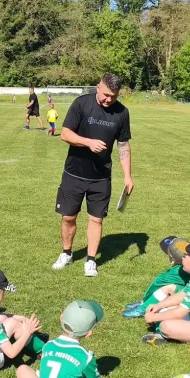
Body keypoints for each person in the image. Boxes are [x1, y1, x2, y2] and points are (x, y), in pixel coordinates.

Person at [52, 73, 133, 278]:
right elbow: (65, 134)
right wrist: (88, 142)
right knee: (68, 217)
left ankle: (90, 260)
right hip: (74, 174)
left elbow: (123, 145)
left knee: (96, 220)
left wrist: (127, 176)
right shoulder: (81, 104)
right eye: (106, 95)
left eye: (113, 96)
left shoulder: (122, 113)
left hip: (101, 178)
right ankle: (66, 253)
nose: (108, 99)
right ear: (98, 87)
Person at [16, 300, 132, 378]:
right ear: (88, 334)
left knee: (22, 369)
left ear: (61, 318)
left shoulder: (48, 346)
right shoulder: (85, 357)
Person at [141, 240, 190, 346]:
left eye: (185, 256)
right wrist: (158, 305)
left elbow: (179, 313)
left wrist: (153, 318)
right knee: (163, 311)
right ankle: (166, 332)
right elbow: (181, 295)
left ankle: (165, 334)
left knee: (166, 326)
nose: (182, 258)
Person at [122, 236, 190, 318]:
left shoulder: (175, 273)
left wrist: (145, 300)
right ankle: (145, 303)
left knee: (166, 288)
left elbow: (156, 285)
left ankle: (143, 308)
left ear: (172, 260)